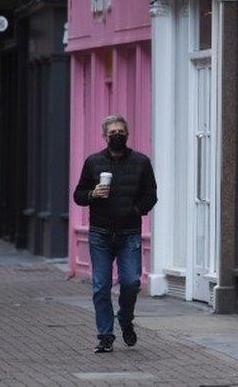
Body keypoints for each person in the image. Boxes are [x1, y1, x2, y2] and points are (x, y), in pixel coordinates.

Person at [73, 115, 157, 353]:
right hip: (100, 234)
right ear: (105, 136)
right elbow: (78, 195)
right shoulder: (93, 162)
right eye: (113, 133)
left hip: (129, 233)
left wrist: (136, 210)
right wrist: (92, 194)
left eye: (121, 131)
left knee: (131, 282)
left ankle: (125, 318)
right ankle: (105, 335)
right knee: (101, 286)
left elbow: (151, 195)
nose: (117, 135)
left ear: (127, 134)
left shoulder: (141, 162)